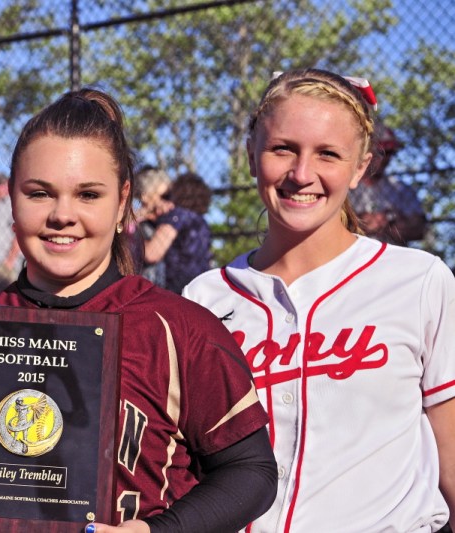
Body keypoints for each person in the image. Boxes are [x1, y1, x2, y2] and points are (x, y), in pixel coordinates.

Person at [0, 88, 278, 532]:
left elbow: (251, 472)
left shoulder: (179, 329)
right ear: (11, 197)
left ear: (123, 199)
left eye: (88, 194)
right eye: (39, 193)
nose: (62, 215)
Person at [183, 68, 455, 532]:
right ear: (252, 155)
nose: (301, 174)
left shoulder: (420, 280)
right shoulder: (203, 296)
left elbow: (450, 453)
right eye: (282, 148)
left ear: (360, 168)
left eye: (328, 154)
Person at [135, 167, 213, 293]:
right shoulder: (199, 221)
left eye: (167, 197)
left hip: (178, 289)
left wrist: (128, 243)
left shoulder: (176, 216)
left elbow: (152, 253)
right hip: (200, 286)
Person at [349, 121, 427, 245]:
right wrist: (359, 222)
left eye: (390, 152)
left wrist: (390, 223)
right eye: (380, 151)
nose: (385, 157)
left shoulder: (400, 189)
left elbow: (420, 229)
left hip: (391, 256)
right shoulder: (345, 186)